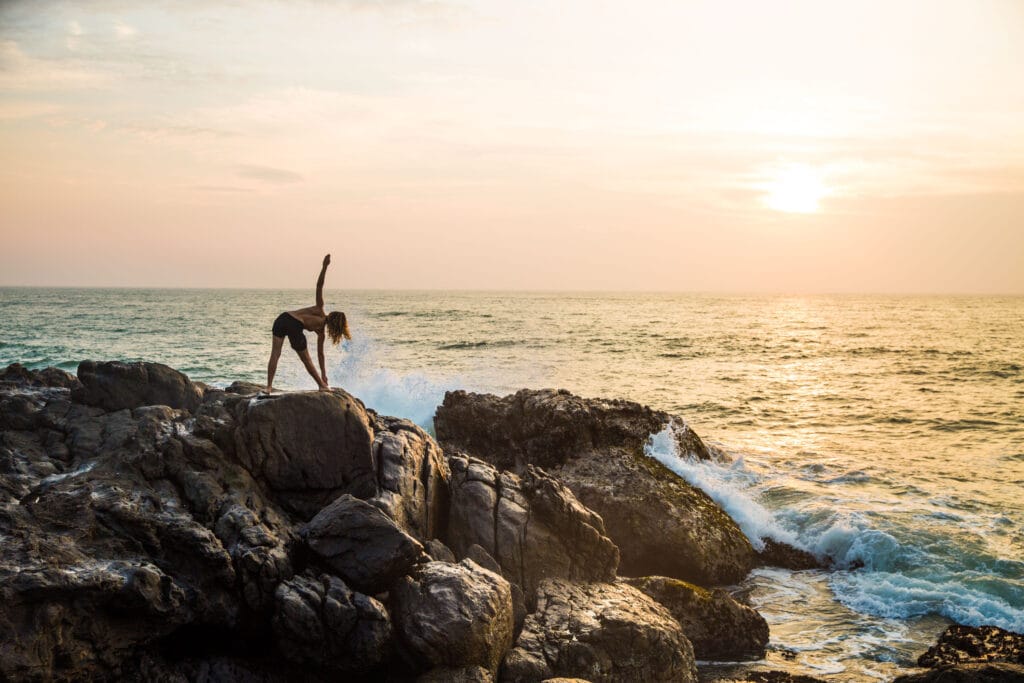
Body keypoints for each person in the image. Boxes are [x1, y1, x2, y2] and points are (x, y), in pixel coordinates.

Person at [266, 254, 351, 393]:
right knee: (306, 360)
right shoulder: (319, 312)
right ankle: (322, 386)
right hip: (294, 324)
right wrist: (324, 267)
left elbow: (321, 355)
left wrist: (324, 373)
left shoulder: (320, 322)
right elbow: (319, 286)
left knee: (275, 354)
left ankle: (268, 387)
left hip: (282, 318)